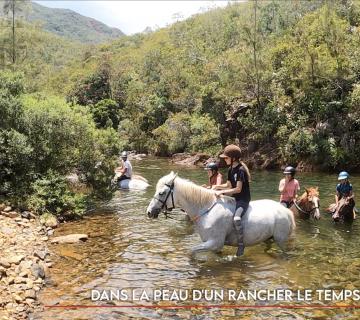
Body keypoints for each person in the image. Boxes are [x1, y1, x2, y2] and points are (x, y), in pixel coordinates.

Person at [212, 144, 251, 256]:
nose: (225, 159)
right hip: (234, 198)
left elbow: (238, 189)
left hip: (243, 199)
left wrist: (221, 192)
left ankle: (241, 245)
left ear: (233, 158)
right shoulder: (231, 169)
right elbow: (228, 185)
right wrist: (217, 187)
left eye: (226, 158)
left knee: (237, 218)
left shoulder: (241, 170)